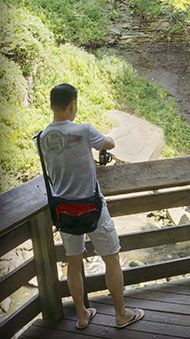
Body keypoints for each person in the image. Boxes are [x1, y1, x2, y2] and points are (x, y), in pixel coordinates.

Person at [38, 84, 143, 330]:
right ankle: (120, 314)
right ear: (73, 104)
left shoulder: (42, 138)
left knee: (73, 263)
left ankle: (82, 315)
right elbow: (110, 143)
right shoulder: (84, 131)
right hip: (93, 208)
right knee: (111, 259)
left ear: (52, 105)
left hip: (63, 211)